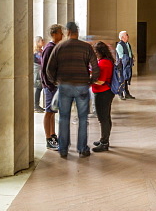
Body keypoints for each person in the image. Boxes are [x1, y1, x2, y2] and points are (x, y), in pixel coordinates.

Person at [44, 22, 100, 159]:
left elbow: (49, 69)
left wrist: (56, 82)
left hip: (65, 86)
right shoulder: (86, 47)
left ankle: (63, 149)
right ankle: (82, 149)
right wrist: (90, 81)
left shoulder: (60, 47)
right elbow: (96, 68)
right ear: (77, 32)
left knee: (64, 118)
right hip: (82, 86)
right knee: (82, 119)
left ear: (68, 31)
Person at [40, 24, 64, 150]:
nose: (63, 35)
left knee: (53, 112)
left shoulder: (55, 47)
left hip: (55, 85)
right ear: (54, 34)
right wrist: (49, 85)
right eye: (60, 33)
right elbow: (44, 69)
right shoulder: (49, 48)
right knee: (48, 112)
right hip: (50, 86)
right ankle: (48, 138)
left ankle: (53, 135)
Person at [90, 42, 116, 152]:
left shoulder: (104, 63)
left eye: (95, 52)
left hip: (103, 92)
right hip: (105, 92)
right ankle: (104, 139)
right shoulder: (106, 61)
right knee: (106, 117)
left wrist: (88, 79)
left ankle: (104, 143)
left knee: (103, 118)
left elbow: (100, 81)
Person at [115, 31, 136, 100]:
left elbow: (129, 52)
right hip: (122, 65)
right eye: (126, 35)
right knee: (122, 79)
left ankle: (127, 94)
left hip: (127, 64)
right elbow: (121, 56)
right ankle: (120, 94)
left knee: (126, 79)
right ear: (122, 37)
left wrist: (132, 57)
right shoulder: (120, 45)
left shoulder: (127, 44)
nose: (128, 36)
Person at [33, 36, 46, 113]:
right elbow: (41, 61)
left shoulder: (40, 51)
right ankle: (35, 105)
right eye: (42, 40)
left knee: (39, 88)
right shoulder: (36, 52)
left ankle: (37, 105)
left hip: (40, 71)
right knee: (38, 88)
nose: (43, 41)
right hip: (38, 71)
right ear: (38, 42)